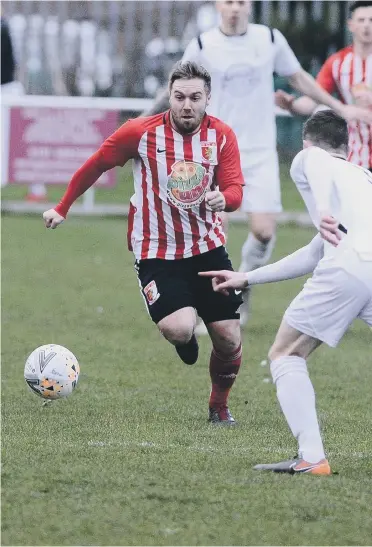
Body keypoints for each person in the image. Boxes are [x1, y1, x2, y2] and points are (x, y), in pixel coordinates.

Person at [144, 0, 372, 331]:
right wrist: (142, 120)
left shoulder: (268, 39)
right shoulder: (204, 44)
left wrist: (338, 106)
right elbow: (175, 88)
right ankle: (210, 307)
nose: (234, 8)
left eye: (240, 2)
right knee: (208, 234)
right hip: (216, 150)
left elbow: (299, 78)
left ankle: (243, 282)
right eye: (228, 2)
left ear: (249, 6)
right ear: (218, 5)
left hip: (260, 150)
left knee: (264, 233)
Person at [42, 61, 245, 425]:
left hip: (208, 247)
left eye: (195, 97)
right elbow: (96, 164)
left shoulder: (222, 136)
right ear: (169, 96)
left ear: (208, 99)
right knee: (179, 328)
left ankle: (219, 406)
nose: (187, 105)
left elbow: (235, 189)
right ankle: (186, 342)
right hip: (157, 250)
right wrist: (63, 206)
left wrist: (224, 200)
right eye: (179, 96)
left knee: (229, 337)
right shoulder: (141, 132)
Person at [200, 110, 372, 473]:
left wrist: (322, 207)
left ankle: (312, 457)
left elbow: (316, 163)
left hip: (350, 266)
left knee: (285, 355)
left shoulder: (311, 158)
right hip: (362, 264)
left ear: (308, 141)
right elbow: (313, 254)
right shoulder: (363, 177)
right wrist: (246, 278)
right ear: (346, 146)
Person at [276, 0, 372, 170]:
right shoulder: (338, 62)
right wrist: (292, 105)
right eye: (361, 20)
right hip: (354, 157)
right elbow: (315, 98)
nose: (367, 26)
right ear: (351, 25)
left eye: (371, 20)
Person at [1, 15, 47, 200]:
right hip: (9, 89)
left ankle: (37, 189)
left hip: (8, 90)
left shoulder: (4, 27)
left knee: (23, 141)